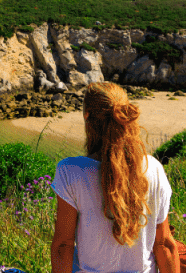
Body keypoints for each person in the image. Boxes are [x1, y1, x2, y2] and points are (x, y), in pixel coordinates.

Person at [50, 82, 179, 273]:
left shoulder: (71, 171)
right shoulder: (154, 169)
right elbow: (164, 245)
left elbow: (63, 245)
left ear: (87, 118)